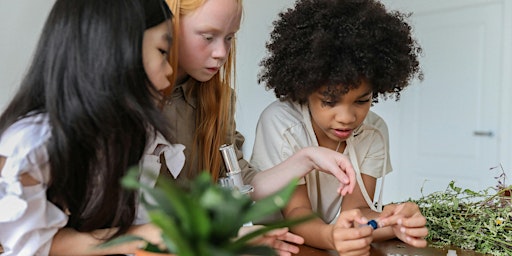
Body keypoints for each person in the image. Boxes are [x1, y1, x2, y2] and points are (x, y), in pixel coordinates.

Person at [0, 0, 179, 255]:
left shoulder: (130, 136)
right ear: (114, 50)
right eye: (162, 51)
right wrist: (138, 237)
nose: (169, 71)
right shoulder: (31, 145)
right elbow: (35, 247)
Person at [251, 0, 429, 254]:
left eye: (362, 100)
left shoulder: (374, 132)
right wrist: (331, 236)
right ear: (304, 89)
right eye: (329, 101)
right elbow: (296, 213)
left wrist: (393, 223)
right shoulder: (281, 123)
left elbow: (355, 212)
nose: (346, 117)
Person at [160, 0, 356, 202]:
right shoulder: (134, 99)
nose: (221, 53)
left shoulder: (219, 100)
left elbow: (241, 185)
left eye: (229, 38)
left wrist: (307, 158)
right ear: (168, 25)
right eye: (208, 37)